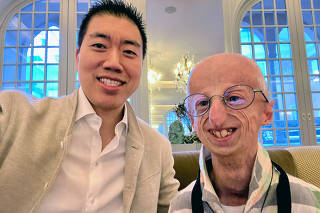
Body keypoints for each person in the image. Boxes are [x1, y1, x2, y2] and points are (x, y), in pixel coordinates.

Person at [0, 1, 179, 212]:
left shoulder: (157, 147)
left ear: (141, 65)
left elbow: (174, 207)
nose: (113, 63)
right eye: (99, 46)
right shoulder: (13, 115)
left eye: (129, 51)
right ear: (77, 58)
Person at [169, 53, 320, 212]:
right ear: (193, 121)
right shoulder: (180, 207)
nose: (216, 118)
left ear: (266, 113)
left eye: (234, 98)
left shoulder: (309, 203)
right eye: (203, 103)